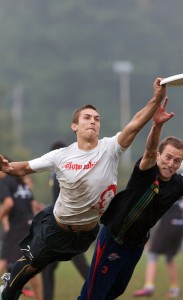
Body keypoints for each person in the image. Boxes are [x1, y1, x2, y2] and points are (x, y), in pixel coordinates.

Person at [0, 77, 167, 300]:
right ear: (75, 126)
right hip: (55, 228)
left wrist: (156, 99)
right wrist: (8, 168)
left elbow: (135, 124)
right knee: (32, 265)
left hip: (85, 235)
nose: (93, 122)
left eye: (97, 119)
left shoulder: (110, 148)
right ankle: (8, 288)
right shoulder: (61, 156)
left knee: (52, 266)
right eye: (87, 118)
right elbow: (26, 167)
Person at [78, 97, 183, 300]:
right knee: (93, 294)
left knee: (116, 290)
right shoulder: (147, 170)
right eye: (168, 157)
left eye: (177, 161)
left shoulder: (179, 184)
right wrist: (157, 125)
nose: (171, 163)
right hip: (113, 239)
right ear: (159, 156)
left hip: (136, 246)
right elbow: (150, 149)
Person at [42, 141, 90, 300]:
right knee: (48, 267)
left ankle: (99, 290)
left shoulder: (66, 172)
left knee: (80, 264)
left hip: (68, 226)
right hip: (58, 225)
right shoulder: (54, 173)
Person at [133, 197, 183, 298]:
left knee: (152, 254)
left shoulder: (162, 191)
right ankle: (175, 289)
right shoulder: (178, 191)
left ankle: (149, 287)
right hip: (181, 224)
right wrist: (180, 214)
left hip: (169, 223)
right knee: (170, 258)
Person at [0, 171, 44, 300]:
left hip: (17, 226)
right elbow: (32, 204)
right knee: (30, 264)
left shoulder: (4, 182)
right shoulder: (19, 181)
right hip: (29, 225)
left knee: (3, 260)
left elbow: (8, 203)